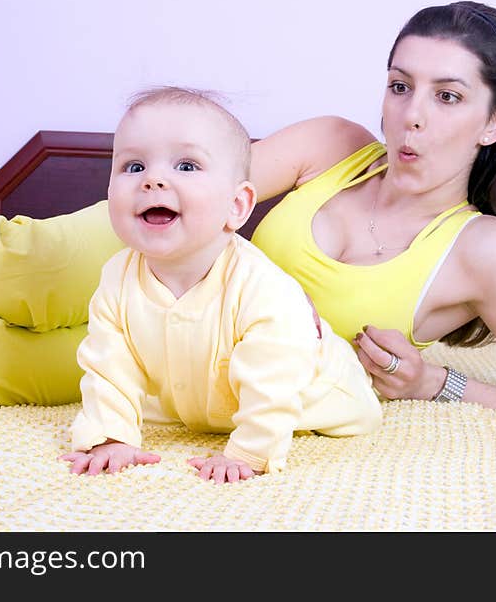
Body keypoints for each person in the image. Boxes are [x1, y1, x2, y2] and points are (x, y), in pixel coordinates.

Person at [0, 0, 496, 425]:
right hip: (155, 247)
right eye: (400, 85)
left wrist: (434, 384)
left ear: (495, 121)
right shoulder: (335, 145)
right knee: (24, 261)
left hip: (187, 354)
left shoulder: (487, 252)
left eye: (448, 96)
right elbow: (210, 180)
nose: (410, 116)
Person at [59, 87, 382, 483]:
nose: (153, 180)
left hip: (318, 397)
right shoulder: (117, 277)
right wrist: (111, 435)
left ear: (237, 206)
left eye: (187, 166)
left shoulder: (262, 289)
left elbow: (275, 382)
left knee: (329, 402)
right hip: (200, 404)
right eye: (133, 166)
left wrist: (248, 452)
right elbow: (109, 364)